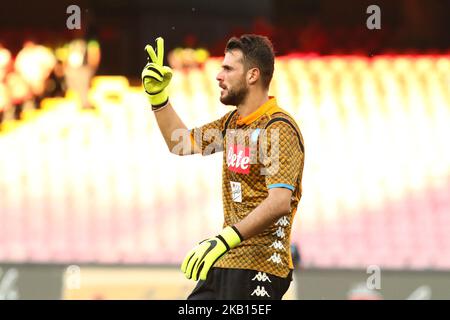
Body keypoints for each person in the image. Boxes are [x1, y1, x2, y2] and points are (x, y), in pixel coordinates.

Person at [141, 34, 305, 300]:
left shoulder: (278, 128)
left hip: (259, 266)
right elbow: (180, 144)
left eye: (228, 68)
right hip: (225, 261)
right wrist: (158, 98)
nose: (218, 75)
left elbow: (279, 202)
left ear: (252, 76)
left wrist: (224, 238)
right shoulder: (232, 125)